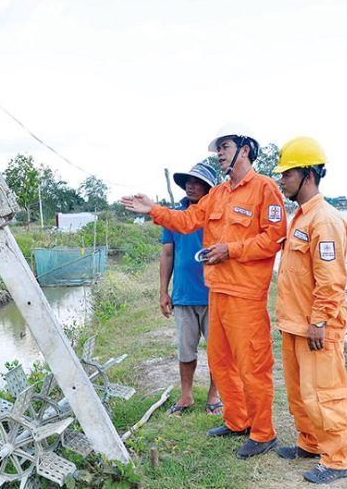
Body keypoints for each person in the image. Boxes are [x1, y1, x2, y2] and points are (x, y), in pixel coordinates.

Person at [122, 124, 286, 459]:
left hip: (246, 295)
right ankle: (237, 420)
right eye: (218, 150)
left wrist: (232, 250)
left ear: (246, 150)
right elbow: (185, 221)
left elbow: (274, 237)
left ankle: (263, 431)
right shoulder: (218, 195)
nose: (220, 154)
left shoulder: (265, 189)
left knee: (252, 364)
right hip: (217, 291)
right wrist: (153, 209)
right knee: (221, 361)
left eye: (225, 147)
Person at [272, 137, 347, 484]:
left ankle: (336, 459)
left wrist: (320, 320)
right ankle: (309, 442)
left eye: (287, 174)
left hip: (317, 326)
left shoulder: (325, 220)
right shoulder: (300, 218)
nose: (281, 180)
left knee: (325, 393)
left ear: (308, 175)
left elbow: (331, 279)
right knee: (300, 392)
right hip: (295, 323)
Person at [160, 162, 222, 416]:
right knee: (186, 349)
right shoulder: (174, 216)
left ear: (209, 188)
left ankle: (214, 395)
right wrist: (164, 291)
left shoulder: (218, 215)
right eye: (187, 181)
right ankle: (186, 395)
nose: (190, 185)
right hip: (184, 295)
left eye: (197, 182)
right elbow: (167, 253)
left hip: (214, 294)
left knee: (217, 351)